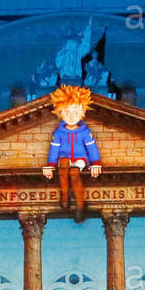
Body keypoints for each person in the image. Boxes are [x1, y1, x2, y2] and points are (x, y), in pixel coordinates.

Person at [42, 85, 102, 221]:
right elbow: (54, 150)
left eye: (75, 112)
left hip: (80, 159)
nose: (71, 116)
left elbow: (92, 148)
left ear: (82, 113)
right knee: (63, 164)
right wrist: (50, 165)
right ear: (60, 112)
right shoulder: (59, 133)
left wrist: (96, 163)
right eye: (66, 112)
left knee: (74, 172)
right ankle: (64, 195)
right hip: (64, 158)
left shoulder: (85, 132)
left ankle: (80, 206)